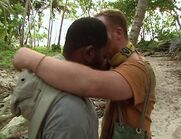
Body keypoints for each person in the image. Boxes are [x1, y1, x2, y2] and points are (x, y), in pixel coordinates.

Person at [13, 9, 156, 138]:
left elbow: (89, 82)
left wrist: (29, 58)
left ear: (118, 33)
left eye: (101, 30)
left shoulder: (137, 69)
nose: (97, 35)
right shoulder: (119, 63)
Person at [11, 17, 109, 139]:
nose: (107, 63)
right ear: (89, 53)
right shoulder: (72, 114)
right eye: (105, 56)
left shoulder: (52, 82)